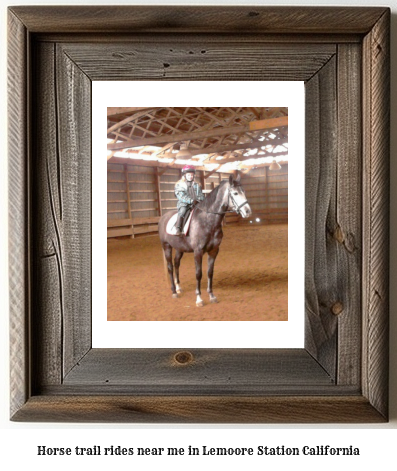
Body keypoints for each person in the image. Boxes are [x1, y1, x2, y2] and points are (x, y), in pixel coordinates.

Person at [174, 165, 204, 236]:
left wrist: (201, 199)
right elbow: (181, 196)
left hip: (196, 203)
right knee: (182, 211)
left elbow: (200, 194)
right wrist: (191, 201)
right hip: (184, 204)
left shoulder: (197, 185)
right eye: (188, 175)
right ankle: (178, 228)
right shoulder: (179, 185)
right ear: (184, 175)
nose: (190, 176)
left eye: (192, 175)